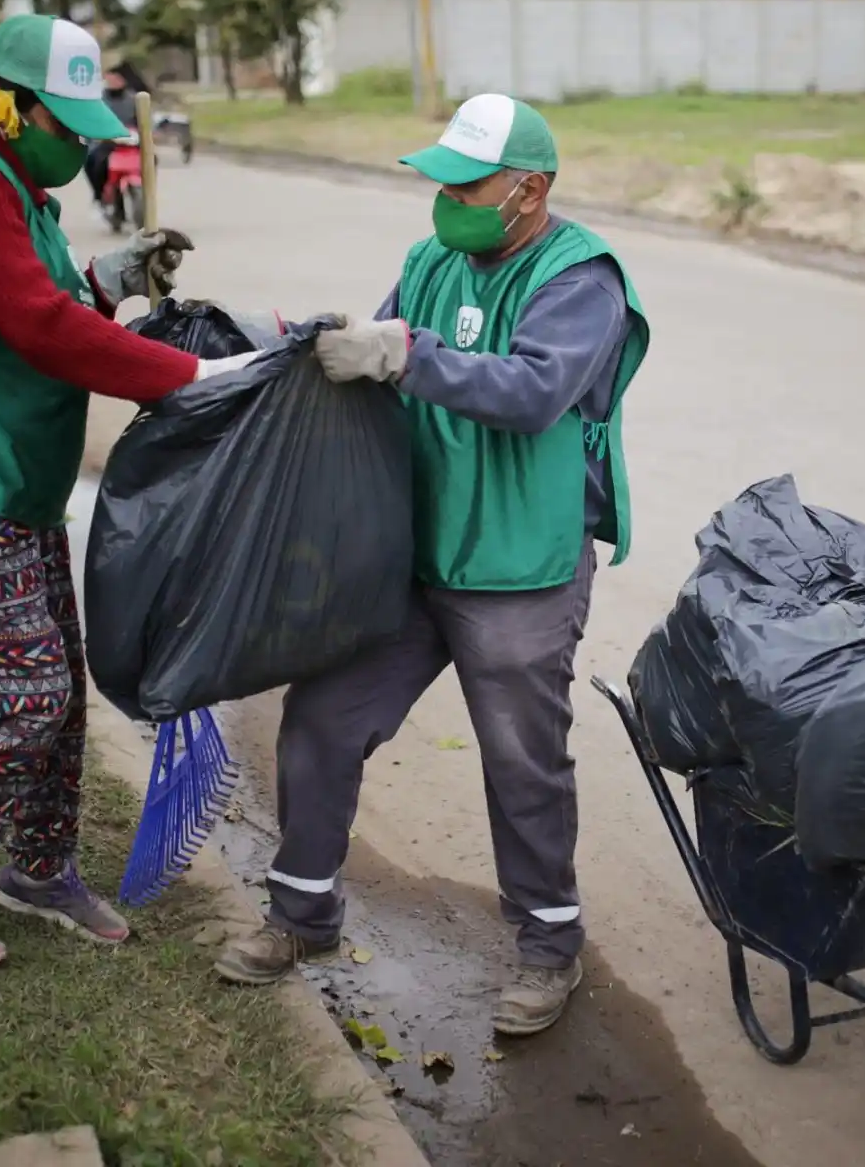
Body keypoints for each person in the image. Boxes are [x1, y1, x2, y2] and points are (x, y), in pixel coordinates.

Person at [215, 93, 651, 1037]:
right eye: (441, 178)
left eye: (468, 182)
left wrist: (404, 355)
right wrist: (300, 352)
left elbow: (534, 390)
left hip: (519, 566)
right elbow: (379, 359)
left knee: (520, 761)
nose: (446, 197)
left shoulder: (581, 280)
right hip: (414, 553)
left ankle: (548, 950)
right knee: (324, 717)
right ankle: (302, 915)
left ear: (529, 192)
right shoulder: (431, 260)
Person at [0, 14, 260, 968]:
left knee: (60, 694)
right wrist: (189, 378)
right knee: (22, 695)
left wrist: (108, 277)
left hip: (22, 484)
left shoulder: (15, 186)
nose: (84, 141)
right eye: (71, 122)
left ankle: (39, 869)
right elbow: (38, 326)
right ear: (9, 104)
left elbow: (37, 299)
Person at [83, 62, 137, 205]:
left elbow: (143, 122)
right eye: (111, 78)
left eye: (117, 78)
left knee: (151, 159)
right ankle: (99, 196)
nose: (114, 81)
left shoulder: (135, 99)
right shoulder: (97, 100)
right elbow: (90, 121)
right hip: (104, 142)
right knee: (93, 161)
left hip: (131, 143)